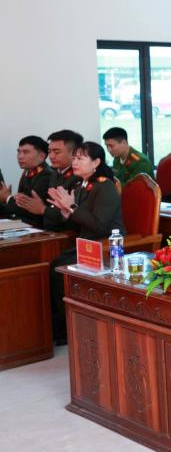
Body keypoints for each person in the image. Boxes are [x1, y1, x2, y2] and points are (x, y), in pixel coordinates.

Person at [48, 142, 125, 344]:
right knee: (54, 263)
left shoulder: (105, 186)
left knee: (58, 267)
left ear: (96, 162)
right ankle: (60, 328)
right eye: (74, 158)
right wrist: (67, 212)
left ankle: (66, 330)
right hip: (87, 243)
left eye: (80, 158)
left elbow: (99, 225)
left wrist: (72, 207)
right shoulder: (81, 184)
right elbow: (81, 220)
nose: (75, 162)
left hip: (106, 246)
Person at [13, 129, 84, 231]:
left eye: (56, 152)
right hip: (49, 230)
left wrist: (43, 209)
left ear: (74, 153)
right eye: (50, 151)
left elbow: (73, 215)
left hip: (67, 232)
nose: (51, 156)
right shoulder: (56, 173)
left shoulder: (79, 176)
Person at [0, 136, 52, 227]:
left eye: (26, 152)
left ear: (41, 156)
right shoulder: (28, 171)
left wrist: (7, 198)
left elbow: (29, 209)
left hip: (37, 227)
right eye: (19, 152)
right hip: (22, 222)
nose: (20, 156)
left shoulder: (46, 175)